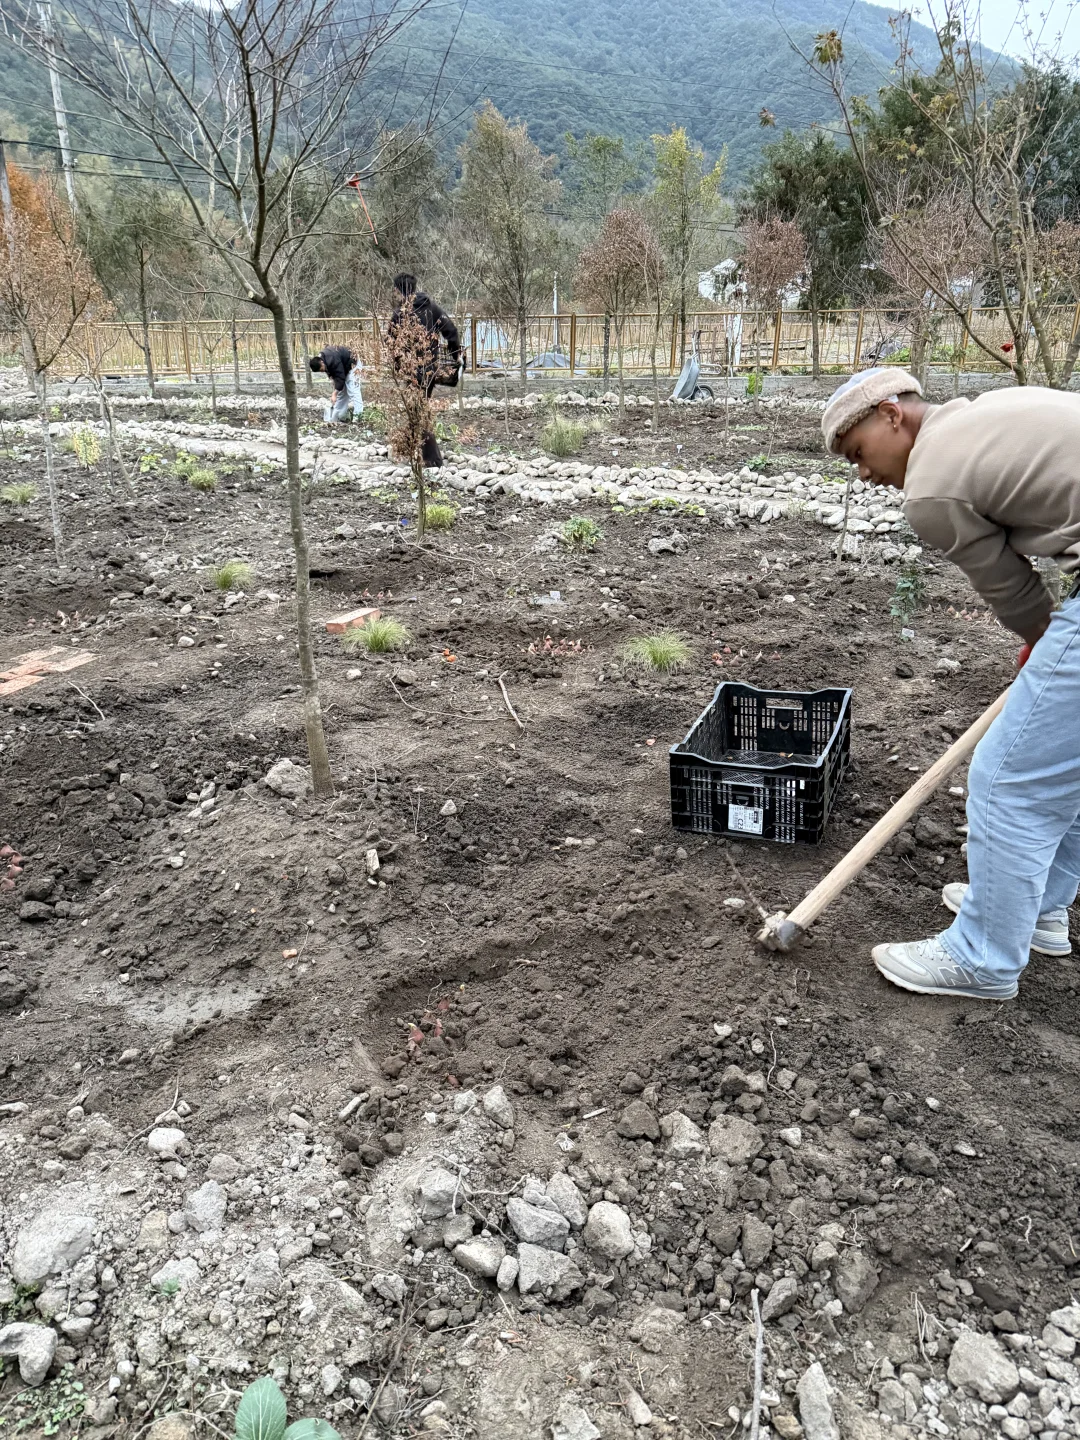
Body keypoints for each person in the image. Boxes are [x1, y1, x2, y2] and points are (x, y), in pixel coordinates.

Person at [821, 366, 1080, 1001]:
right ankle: (1036, 908)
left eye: (859, 453)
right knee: (1059, 763)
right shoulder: (985, 412)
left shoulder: (931, 486)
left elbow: (1014, 591)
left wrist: (1045, 645)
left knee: (1009, 775)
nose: (864, 474)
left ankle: (985, 955)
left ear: (891, 414)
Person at [388, 272, 462, 468]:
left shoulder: (400, 314)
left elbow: (392, 345)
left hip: (411, 371)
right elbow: (451, 332)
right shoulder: (432, 308)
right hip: (430, 370)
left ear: (398, 290)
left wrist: (398, 367)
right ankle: (417, 453)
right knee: (418, 409)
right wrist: (456, 355)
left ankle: (432, 459)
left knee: (418, 412)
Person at [310, 343, 362, 422]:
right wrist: (335, 388)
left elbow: (340, 377)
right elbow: (334, 375)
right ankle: (337, 417)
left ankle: (358, 417)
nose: (322, 371)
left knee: (353, 391)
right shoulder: (322, 360)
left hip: (353, 365)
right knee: (341, 393)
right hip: (344, 367)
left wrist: (334, 393)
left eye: (321, 370)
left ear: (321, 362)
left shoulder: (332, 359)